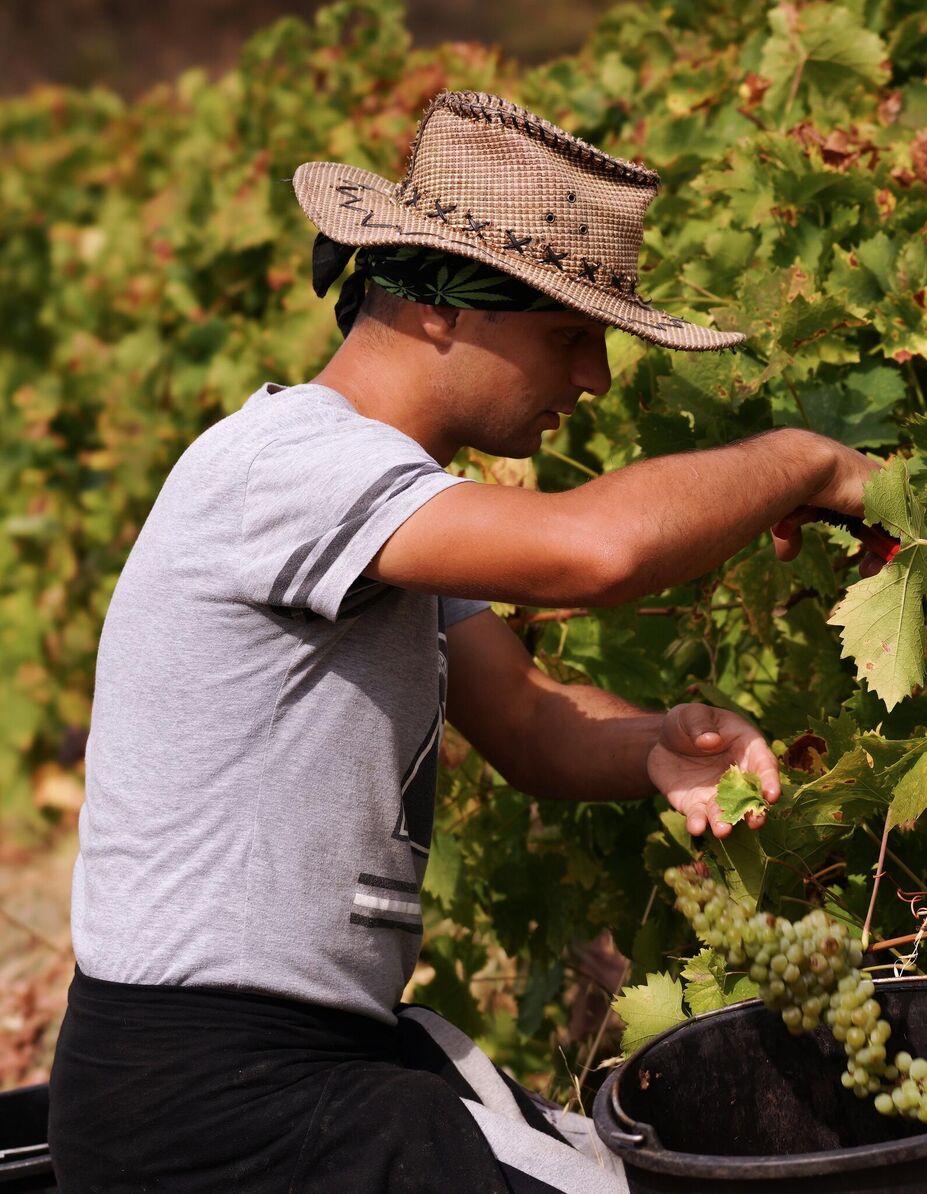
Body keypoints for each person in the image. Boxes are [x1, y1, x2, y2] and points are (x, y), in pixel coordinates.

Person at [47, 89, 880, 1193]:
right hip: (211, 1108)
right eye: (568, 335)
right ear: (439, 308)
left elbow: (528, 722)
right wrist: (807, 462)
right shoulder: (288, 467)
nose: (593, 380)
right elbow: (598, 553)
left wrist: (651, 749)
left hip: (292, 1074)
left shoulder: (391, 516)